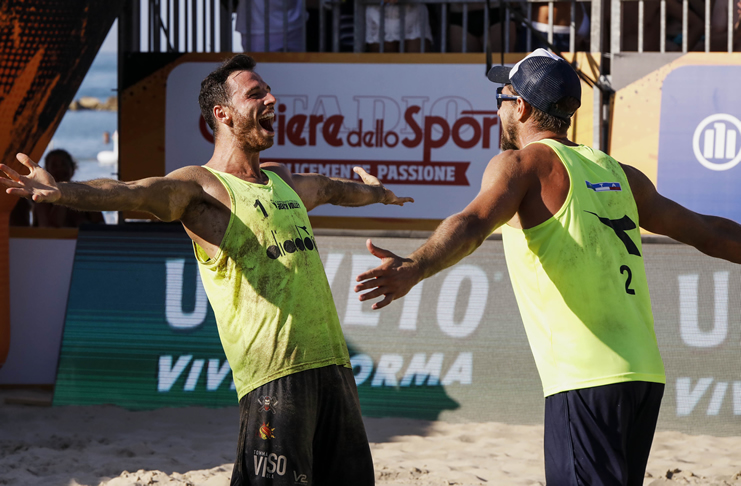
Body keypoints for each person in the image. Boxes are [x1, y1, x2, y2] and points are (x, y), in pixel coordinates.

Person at [0, 54, 414, 486]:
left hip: (333, 368)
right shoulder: (202, 188)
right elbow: (131, 192)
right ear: (223, 114)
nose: (272, 98)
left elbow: (332, 189)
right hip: (274, 378)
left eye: (268, 90)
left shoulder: (282, 181)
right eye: (256, 94)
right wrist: (61, 191)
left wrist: (377, 194)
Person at [353, 49, 741, 485]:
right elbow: (709, 232)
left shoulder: (524, 165)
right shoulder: (617, 172)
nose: (498, 108)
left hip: (585, 376)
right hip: (644, 375)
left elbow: (473, 223)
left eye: (502, 96)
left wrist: (414, 266)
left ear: (520, 106)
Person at [32, 149, 105, 227]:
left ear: (72, 168)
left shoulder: (85, 193)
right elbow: (48, 229)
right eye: (54, 165)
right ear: (47, 172)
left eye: (64, 164)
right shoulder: (42, 198)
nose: (60, 169)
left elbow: (100, 225)